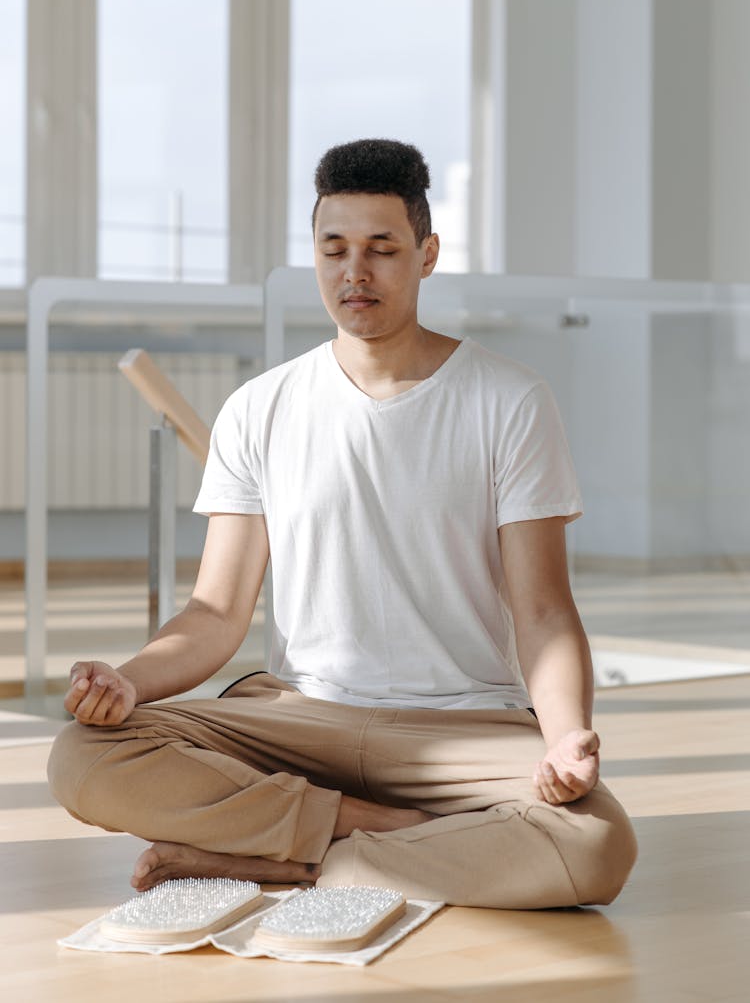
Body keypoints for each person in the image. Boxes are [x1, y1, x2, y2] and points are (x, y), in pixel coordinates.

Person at [48, 139, 637, 908]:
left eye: (381, 249)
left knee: (598, 845)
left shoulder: (510, 401)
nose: (354, 273)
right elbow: (216, 613)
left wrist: (564, 739)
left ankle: (289, 860)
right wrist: (127, 679)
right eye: (335, 249)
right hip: (301, 720)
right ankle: (384, 833)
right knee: (81, 758)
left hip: (458, 734)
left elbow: (544, 611)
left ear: (426, 255)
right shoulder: (259, 408)